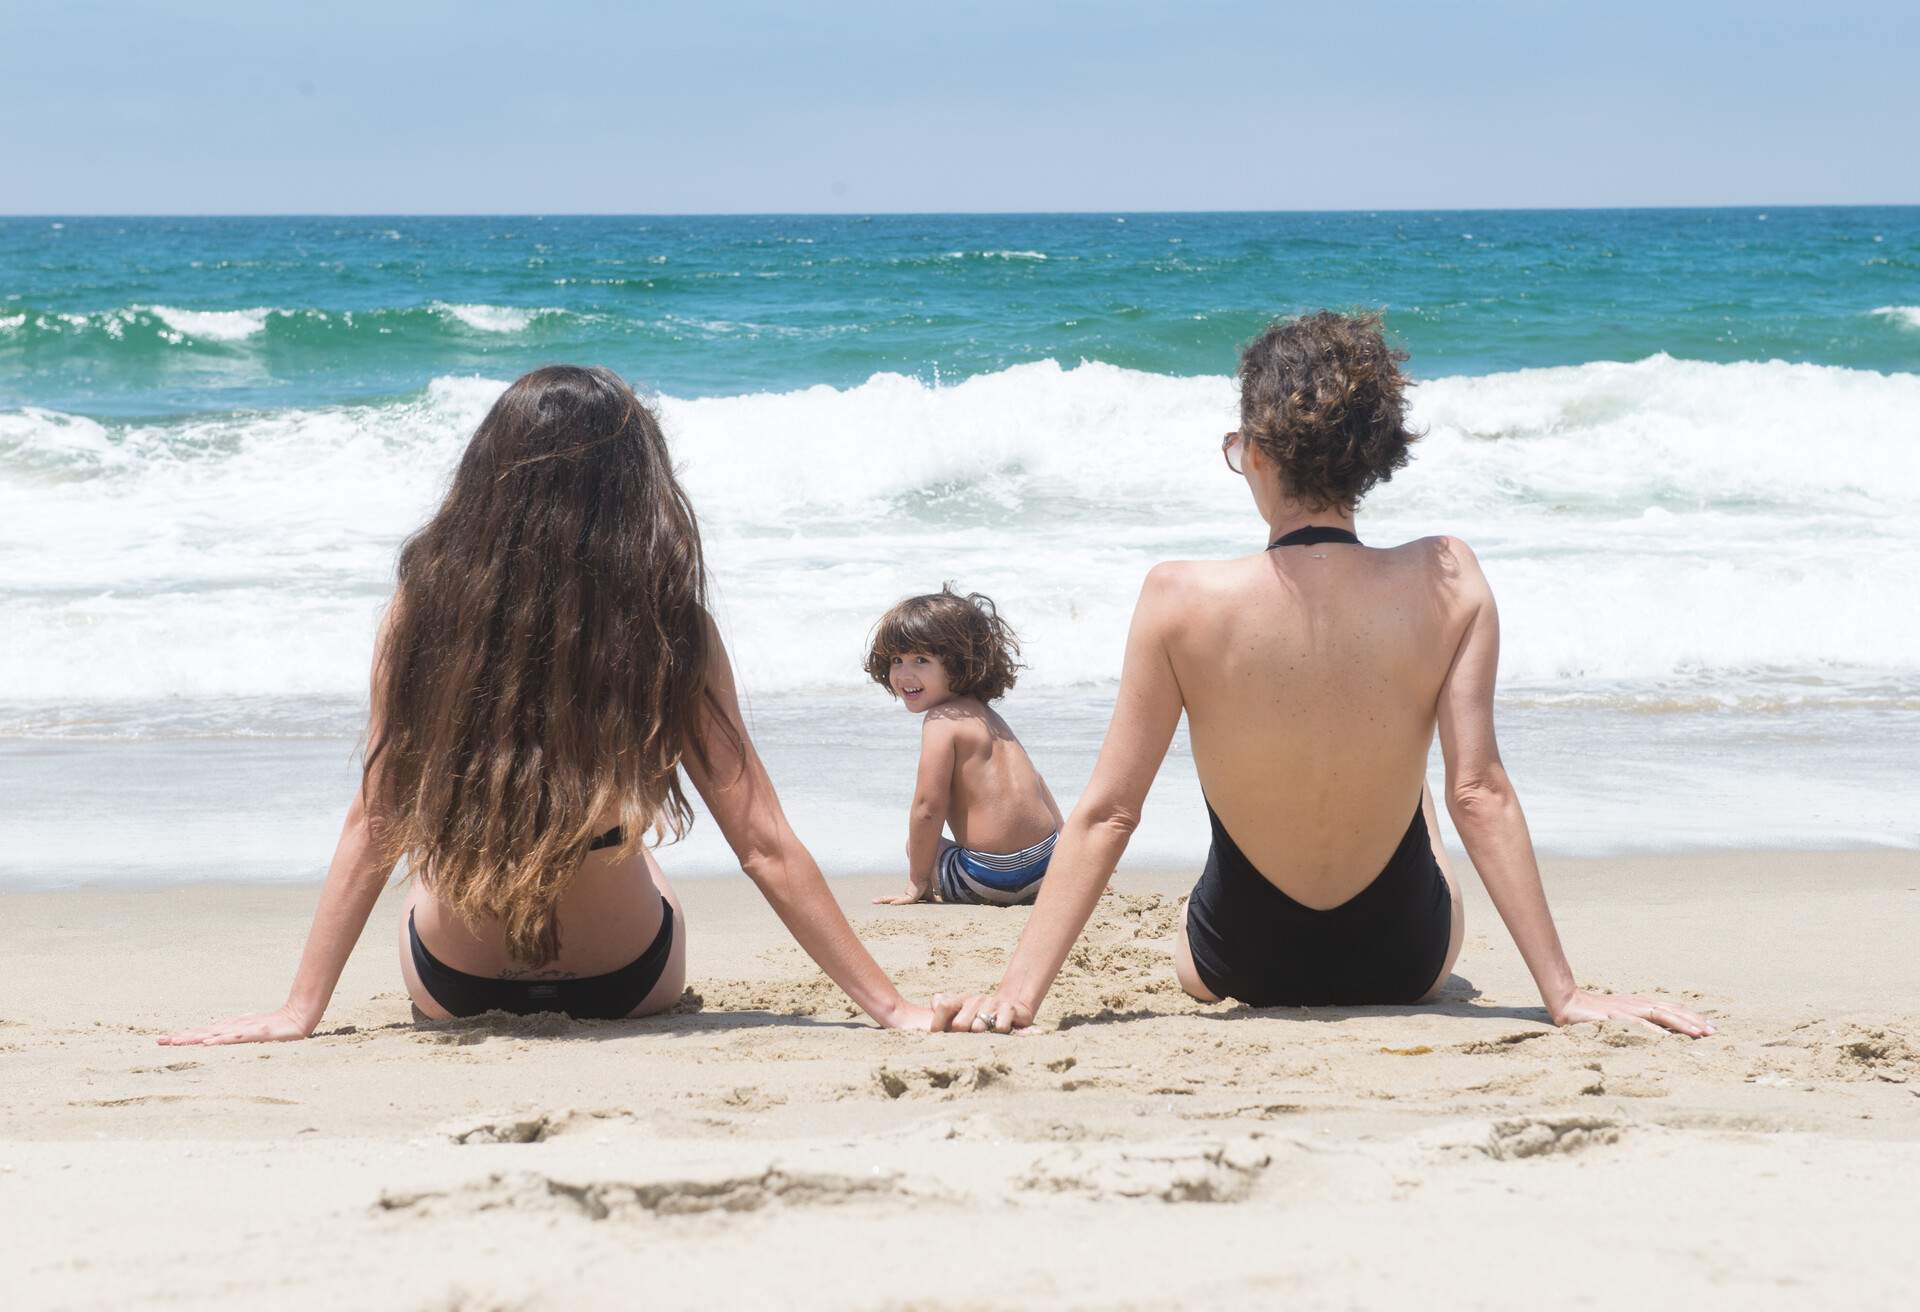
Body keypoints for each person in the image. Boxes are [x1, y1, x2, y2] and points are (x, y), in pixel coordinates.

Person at [930, 312, 1716, 1039]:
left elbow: (1108, 814)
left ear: (1259, 451)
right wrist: (1565, 996)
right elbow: (1480, 793)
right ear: (1370, 454)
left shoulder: (1178, 599)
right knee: (1426, 794)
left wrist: (1018, 995)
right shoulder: (1449, 576)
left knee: (1216, 880)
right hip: (1407, 963)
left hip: (1237, 963)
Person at [162, 366, 930, 1043]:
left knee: (447, 866)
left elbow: (376, 820)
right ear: (637, 485)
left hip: (455, 987)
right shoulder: (670, 626)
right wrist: (892, 1009)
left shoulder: (423, 611)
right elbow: (762, 843)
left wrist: (301, 1009)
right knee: (640, 857)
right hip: (629, 981)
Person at [864, 588, 1063, 906]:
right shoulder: (991, 716)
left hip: (987, 877)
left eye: (921, 660)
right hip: (1049, 868)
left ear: (958, 665)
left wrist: (917, 882)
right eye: (896, 660)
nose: (903, 673)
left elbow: (927, 808)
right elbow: (1038, 783)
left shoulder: (940, 721)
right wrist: (1070, 859)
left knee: (915, 846)